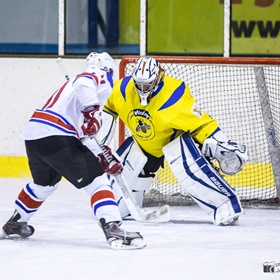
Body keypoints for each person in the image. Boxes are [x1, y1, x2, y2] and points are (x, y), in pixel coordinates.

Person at [0, 52, 146, 250]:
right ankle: (113, 228)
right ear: (109, 69)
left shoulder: (76, 93)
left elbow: (84, 136)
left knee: (43, 186)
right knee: (98, 181)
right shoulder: (97, 76)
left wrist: (104, 155)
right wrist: (91, 112)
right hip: (56, 134)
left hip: (36, 136)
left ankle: (14, 224)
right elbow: (85, 83)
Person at [101, 56, 249, 226]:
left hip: (173, 143)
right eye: (139, 84)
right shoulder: (121, 89)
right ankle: (120, 206)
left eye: (147, 84)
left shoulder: (174, 95)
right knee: (118, 179)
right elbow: (107, 106)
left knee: (190, 170)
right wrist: (100, 140)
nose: (142, 88)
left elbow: (201, 123)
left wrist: (220, 142)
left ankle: (225, 206)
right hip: (143, 146)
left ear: (158, 78)